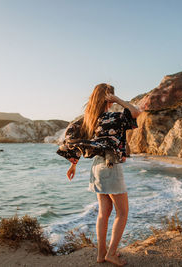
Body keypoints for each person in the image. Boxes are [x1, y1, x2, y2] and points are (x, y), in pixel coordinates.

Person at [57, 83, 141, 266]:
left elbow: (75, 141)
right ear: (108, 98)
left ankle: (101, 254)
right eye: (111, 96)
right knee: (123, 212)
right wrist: (118, 100)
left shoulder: (89, 120)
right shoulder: (113, 117)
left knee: (104, 212)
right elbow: (135, 112)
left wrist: (73, 165)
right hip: (110, 166)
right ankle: (111, 253)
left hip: (96, 167)